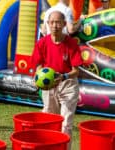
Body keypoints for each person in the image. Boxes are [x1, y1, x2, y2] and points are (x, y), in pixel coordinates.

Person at [31, 11, 83, 150]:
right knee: (50, 121)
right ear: (47, 24)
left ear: (64, 24)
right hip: (49, 85)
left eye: (58, 22)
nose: (55, 25)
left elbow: (76, 71)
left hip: (68, 84)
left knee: (66, 123)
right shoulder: (41, 43)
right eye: (52, 22)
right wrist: (38, 78)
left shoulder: (71, 44)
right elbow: (38, 66)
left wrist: (64, 76)